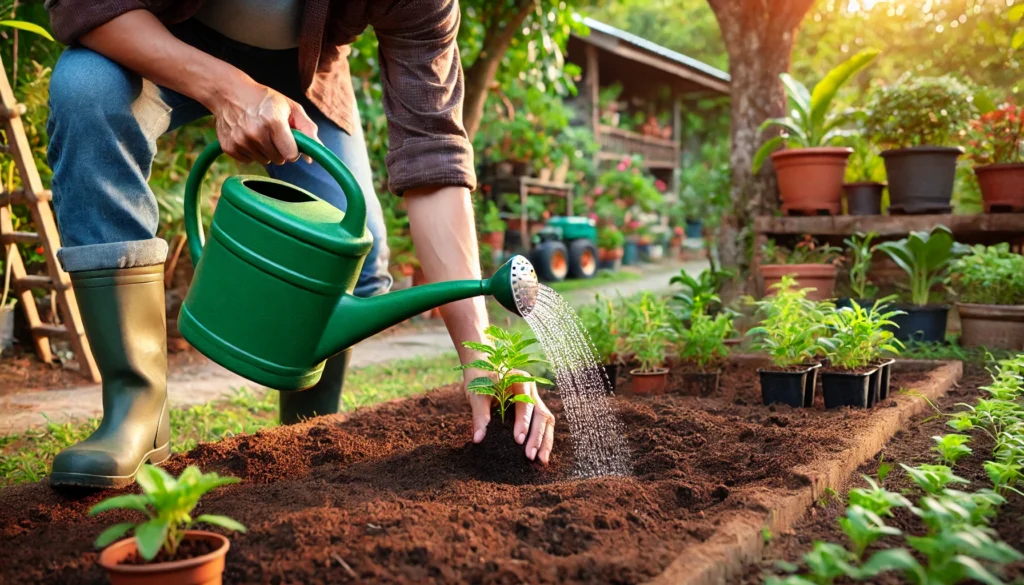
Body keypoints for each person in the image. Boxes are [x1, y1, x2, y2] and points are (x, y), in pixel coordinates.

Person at [43, 0, 555, 489]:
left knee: (357, 243)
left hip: (305, 77)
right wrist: (227, 88)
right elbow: (85, 6)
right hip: (151, 38)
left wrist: (481, 354)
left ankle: (307, 430)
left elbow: (432, 148)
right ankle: (135, 406)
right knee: (86, 89)